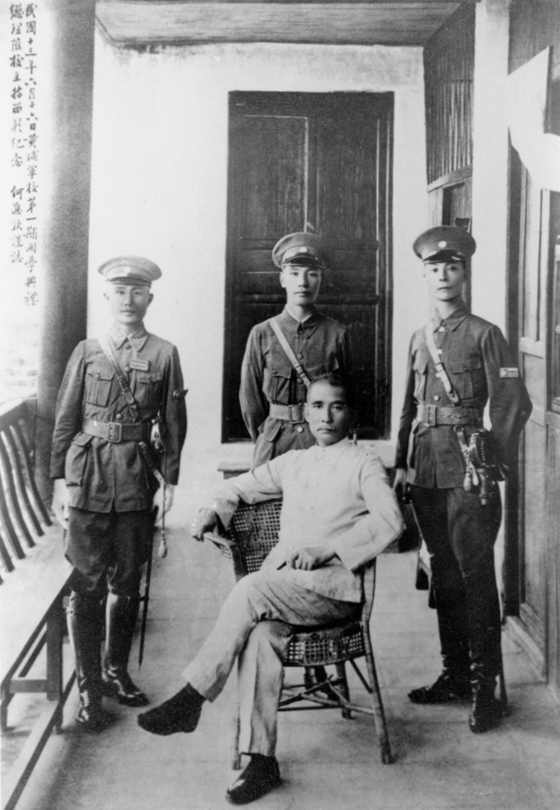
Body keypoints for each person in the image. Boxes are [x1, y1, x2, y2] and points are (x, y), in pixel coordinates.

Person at [137, 373, 403, 804]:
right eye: (317, 406)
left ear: (350, 412)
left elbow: (391, 522)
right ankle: (262, 761)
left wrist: (328, 549)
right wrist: (212, 510)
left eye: (336, 406)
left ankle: (192, 696)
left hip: (332, 594)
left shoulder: (364, 462)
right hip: (286, 591)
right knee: (261, 637)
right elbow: (237, 486)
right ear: (304, 413)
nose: (326, 416)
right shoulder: (294, 462)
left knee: (252, 587)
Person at [393, 226, 532, 734]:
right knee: (442, 574)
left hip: (469, 472)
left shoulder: (484, 334)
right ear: (425, 276)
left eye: (452, 267)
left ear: (465, 274)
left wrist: (495, 456)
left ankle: (486, 687)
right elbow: (407, 408)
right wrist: (400, 463)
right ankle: (454, 674)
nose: (443, 276)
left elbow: (515, 405)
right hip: (427, 470)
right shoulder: (417, 337)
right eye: (434, 268)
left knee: (475, 576)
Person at [50, 256, 187, 731]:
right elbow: (66, 420)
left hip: (134, 477)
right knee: (85, 586)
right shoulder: (87, 351)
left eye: (137, 291)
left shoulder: (165, 353)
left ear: (150, 297)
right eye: (119, 291)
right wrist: (57, 483)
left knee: (127, 583)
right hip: (86, 477)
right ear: (106, 297)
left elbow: (172, 424)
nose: (128, 300)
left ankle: (116, 672)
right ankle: (89, 689)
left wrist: (169, 480)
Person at [239, 232, 352, 466]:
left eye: (312, 274)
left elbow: (350, 397)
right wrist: (266, 438)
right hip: (275, 445)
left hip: (323, 446)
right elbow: (250, 402)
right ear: (282, 279)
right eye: (294, 274)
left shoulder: (337, 334)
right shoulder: (262, 333)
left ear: (321, 279)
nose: (303, 282)